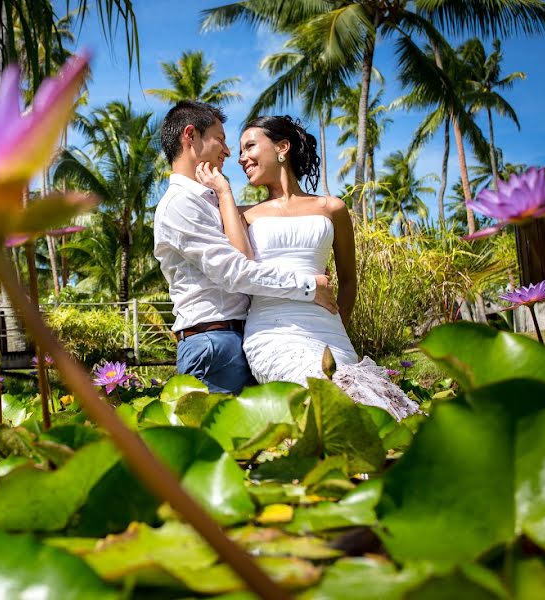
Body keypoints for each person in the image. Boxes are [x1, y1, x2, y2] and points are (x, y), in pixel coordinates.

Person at [195, 115, 419, 420]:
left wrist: (338, 326)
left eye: (249, 146)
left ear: (282, 147)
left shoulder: (333, 209)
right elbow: (242, 265)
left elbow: (349, 282)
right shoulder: (241, 213)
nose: (241, 157)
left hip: (330, 335)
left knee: (372, 408)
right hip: (273, 333)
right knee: (329, 403)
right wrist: (223, 192)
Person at [153, 101, 338, 395]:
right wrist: (308, 287)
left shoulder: (210, 201)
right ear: (191, 135)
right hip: (212, 342)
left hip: (244, 338)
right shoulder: (181, 205)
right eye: (221, 140)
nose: (228, 152)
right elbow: (235, 272)